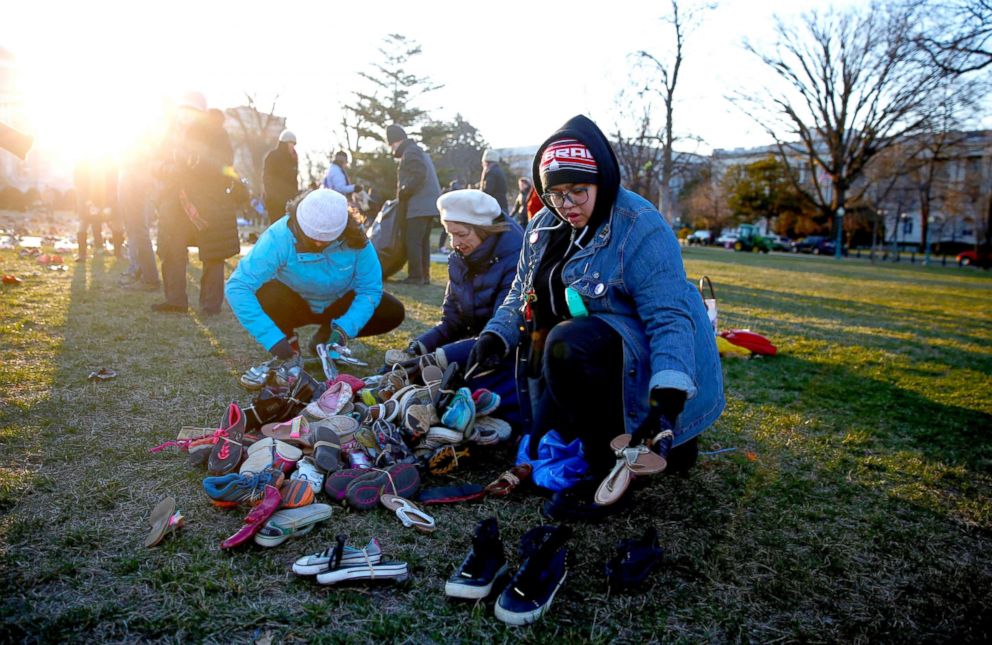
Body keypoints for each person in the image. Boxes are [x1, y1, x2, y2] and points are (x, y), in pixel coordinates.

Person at [467, 115, 725, 519]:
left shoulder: (640, 226)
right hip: (583, 360)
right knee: (537, 444)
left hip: (634, 361)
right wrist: (497, 335)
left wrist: (669, 395)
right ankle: (633, 441)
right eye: (555, 194)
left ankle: (605, 469)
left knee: (569, 342)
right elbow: (522, 293)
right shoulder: (542, 226)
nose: (566, 205)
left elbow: (670, 318)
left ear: (602, 182)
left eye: (577, 192)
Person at [225, 189, 405, 374]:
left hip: (337, 303)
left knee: (392, 310)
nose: (319, 244)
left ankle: (327, 337)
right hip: (293, 303)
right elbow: (237, 286)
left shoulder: (356, 239)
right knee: (266, 293)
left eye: (327, 239)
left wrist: (345, 328)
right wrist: (273, 339)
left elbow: (370, 289)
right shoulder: (278, 237)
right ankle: (288, 344)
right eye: (312, 238)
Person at [387, 189, 524, 424]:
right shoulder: (459, 260)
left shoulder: (517, 259)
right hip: (471, 348)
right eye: (450, 235)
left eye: (461, 234)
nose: (455, 243)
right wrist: (419, 347)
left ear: (484, 230)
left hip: (507, 352)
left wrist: (435, 359)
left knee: (459, 384)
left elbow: (505, 329)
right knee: (425, 377)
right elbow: (452, 321)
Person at [153, 94, 240, 315]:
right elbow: (155, 163)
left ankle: (210, 305)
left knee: (213, 253)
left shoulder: (216, 132)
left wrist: (196, 164)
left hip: (209, 200)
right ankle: (175, 300)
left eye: (192, 110)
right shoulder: (169, 133)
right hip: (175, 199)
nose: (186, 115)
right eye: (183, 110)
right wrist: (168, 169)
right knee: (172, 247)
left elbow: (224, 163)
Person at [386, 124, 442, 285]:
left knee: (413, 241)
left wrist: (404, 191)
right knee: (422, 242)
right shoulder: (416, 150)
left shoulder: (410, 152)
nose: (392, 148)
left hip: (418, 205)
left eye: (391, 144)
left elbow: (419, 173)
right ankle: (424, 276)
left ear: (396, 141)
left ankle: (416, 276)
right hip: (428, 204)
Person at [73, 156, 124, 262]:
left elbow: (115, 183)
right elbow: (79, 184)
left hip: (107, 197)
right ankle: (82, 254)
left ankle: (118, 253)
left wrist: (110, 201)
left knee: (116, 222)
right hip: (89, 198)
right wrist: (88, 202)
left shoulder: (110, 166)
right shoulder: (83, 166)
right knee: (84, 222)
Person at [263, 129, 299, 225]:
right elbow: (267, 178)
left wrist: (296, 197)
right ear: (284, 143)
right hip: (275, 201)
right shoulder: (273, 156)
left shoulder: (293, 159)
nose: (292, 146)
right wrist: (273, 196)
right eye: (290, 143)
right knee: (277, 225)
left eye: (294, 144)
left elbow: (294, 181)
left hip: (289, 201)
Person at [480, 148, 508, 214]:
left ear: (486, 162)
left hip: (495, 207)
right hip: (501, 205)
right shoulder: (498, 170)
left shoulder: (490, 172)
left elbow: (487, 190)